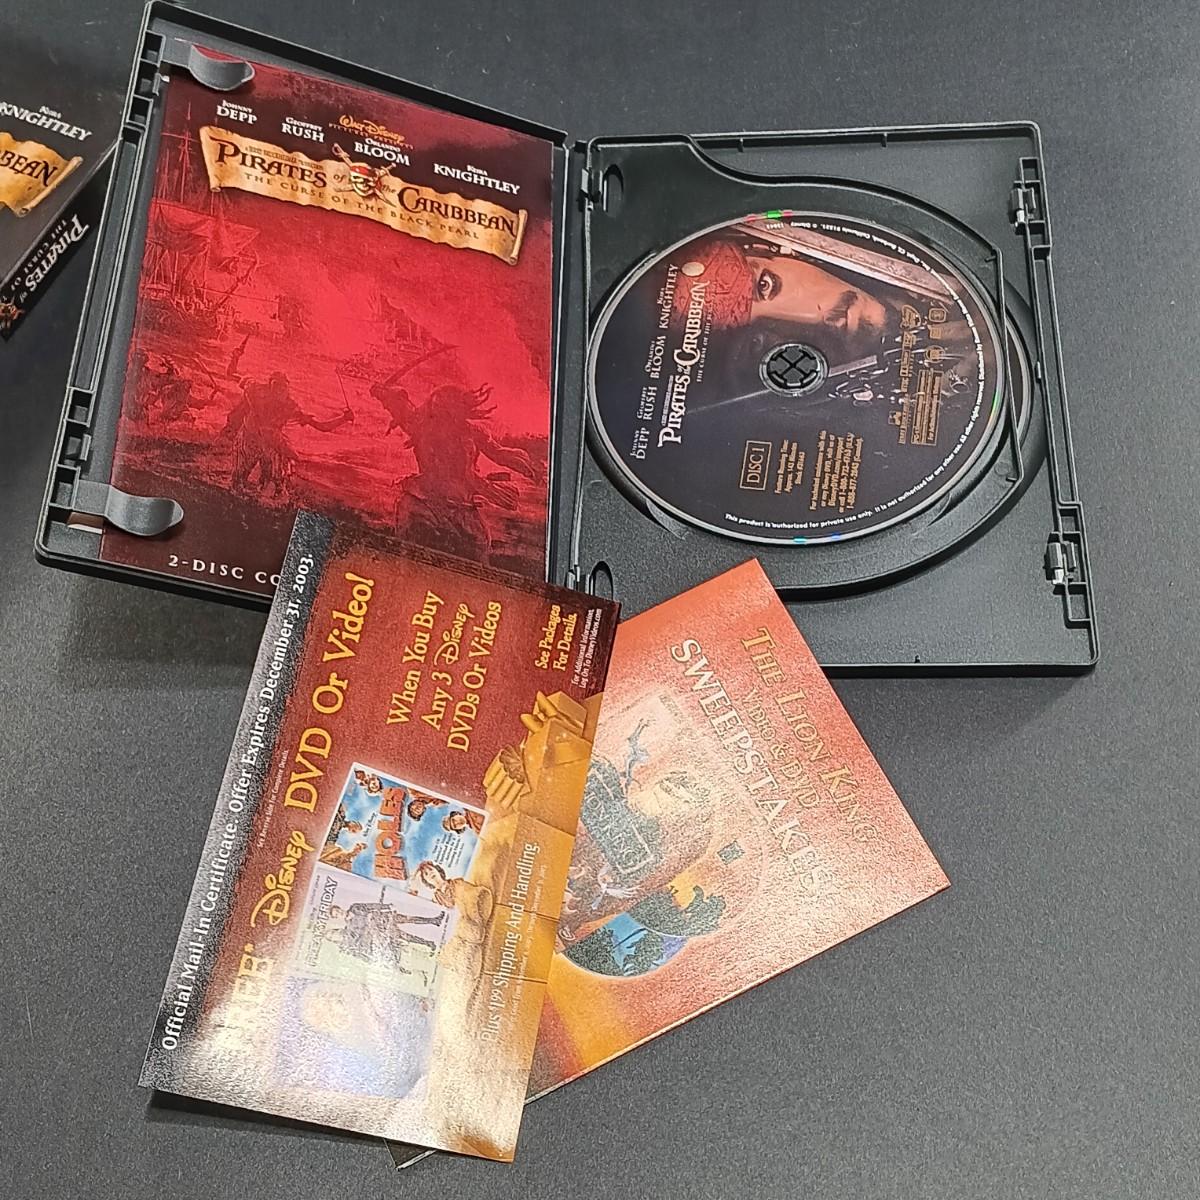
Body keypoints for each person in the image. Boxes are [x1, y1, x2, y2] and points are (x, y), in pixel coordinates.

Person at [369, 373, 539, 560]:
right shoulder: (420, 425)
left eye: (445, 407)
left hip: (463, 510)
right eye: (436, 405)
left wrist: (527, 467)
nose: (439, 411)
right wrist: (383, 392)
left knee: (477, 555)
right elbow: (399, 403)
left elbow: (499, 454)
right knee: (411, 557)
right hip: (421, 504)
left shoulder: (472, 432)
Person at [220, 371, 352, 504]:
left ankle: (267, 499)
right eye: (276, 386)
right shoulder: (257, 390)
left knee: (269, 481)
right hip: (249, 439)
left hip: (271, 443)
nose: (280, 391)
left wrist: (344, 418)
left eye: (283, 387)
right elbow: (240, 380)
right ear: (270, 386)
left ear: (286, 388)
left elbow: (322, 426)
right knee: (238, 480)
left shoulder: (290, 407)